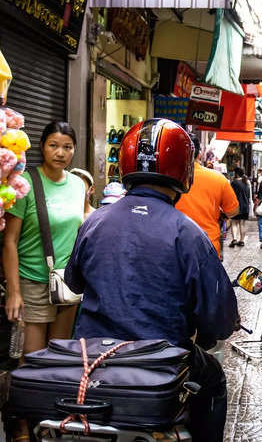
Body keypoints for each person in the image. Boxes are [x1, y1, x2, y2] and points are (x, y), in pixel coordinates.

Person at [65, 119, 239, 442]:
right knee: (213, 377)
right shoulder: (188, 234)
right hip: (162, 365)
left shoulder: (95, 222)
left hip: (92, 359)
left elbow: (73, 282)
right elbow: (219, 321)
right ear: (183, 172)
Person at [3, 121, 85, 354]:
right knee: (32, 359)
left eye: (67, 147)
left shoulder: (78, 185)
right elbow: (10, 241)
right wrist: (14, 292)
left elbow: (85, 220)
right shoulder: (25, 184)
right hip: (33, 282)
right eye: (54, 145)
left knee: (59, 357)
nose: (60, 153)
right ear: (42, 147)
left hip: (68, 282)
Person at [175, 134, 239, 257]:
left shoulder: (167, 178)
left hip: (174, 248)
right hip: (208, 248)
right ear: (199, 154)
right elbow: (233, 211)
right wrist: (221, 214)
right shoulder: (217, 178)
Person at [229, 167, 249, 247]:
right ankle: (242, 240)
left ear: (236, 174)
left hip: (236, 206)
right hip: (245, 206)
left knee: (234, 223)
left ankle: (234, 239)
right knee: (242, 224)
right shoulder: (246, 182)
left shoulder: (234, 183)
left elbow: (230, 195)